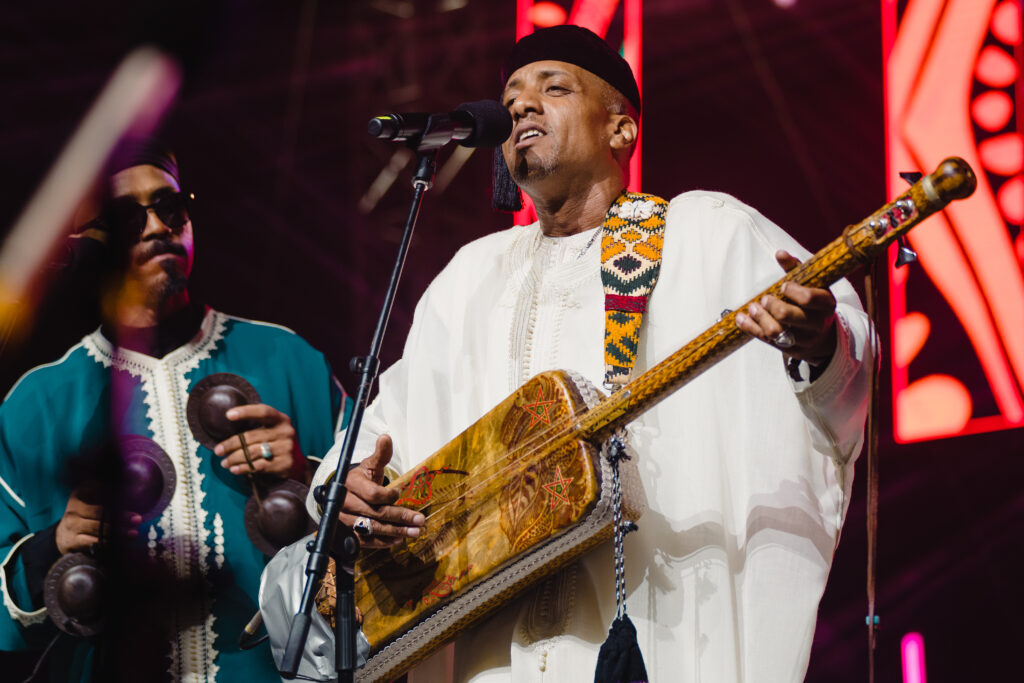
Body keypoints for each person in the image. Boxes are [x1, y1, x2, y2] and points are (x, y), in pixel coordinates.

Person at [281, 25, 875, 682]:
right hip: (493, 652)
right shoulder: (469, 277)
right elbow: (394, 416)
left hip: (656, 628)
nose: (523, 107)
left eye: (553, 87)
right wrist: (351, 481)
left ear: (620, 129)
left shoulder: (705, 234)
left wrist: (817, 344)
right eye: (510, 100)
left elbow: (837, 343)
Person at [0, 142, 349, 682]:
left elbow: (385, 520)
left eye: (170, 206)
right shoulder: (36, 405)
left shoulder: (288, 361)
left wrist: (309, 478)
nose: (159, 225)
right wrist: (54, 548)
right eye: (125, 217)